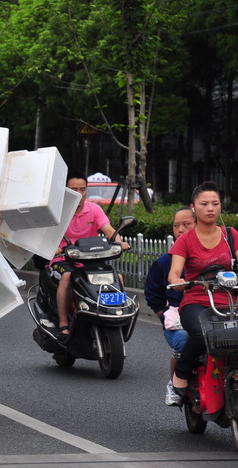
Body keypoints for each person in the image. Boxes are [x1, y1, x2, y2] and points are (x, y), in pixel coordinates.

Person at [168, 181, 238, 398]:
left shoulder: (230, 234)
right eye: (204, 203)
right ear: (193, 207)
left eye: (215, 203)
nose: (210, 208)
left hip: (231, 299)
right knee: (201, 333)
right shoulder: (185, 240)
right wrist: (179, 281)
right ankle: (181, 373)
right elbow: (174, 273)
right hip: (197, 301)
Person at [50, 171, 129, 339]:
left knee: (117, 277)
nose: (79, 193)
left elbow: (109, 231)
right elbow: (47, 236)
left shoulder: (94, 209)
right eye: (74, 189)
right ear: (65, 190)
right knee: (67, 277)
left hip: (90, 260)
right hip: (63, 260)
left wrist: (119, 242)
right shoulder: (57, 211)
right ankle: (63, 323)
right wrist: (54, 248)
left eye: (83, 189)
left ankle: (117, 314)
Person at [143, 207, 195, 405]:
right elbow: (152, 291)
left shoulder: (208, 255)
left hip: (209, 314)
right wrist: (164, 314)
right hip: (178, 319)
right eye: (176, 226)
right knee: (183, 340)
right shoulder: (165, 261)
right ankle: (174, 383)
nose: (180, 230)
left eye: (186, 225)